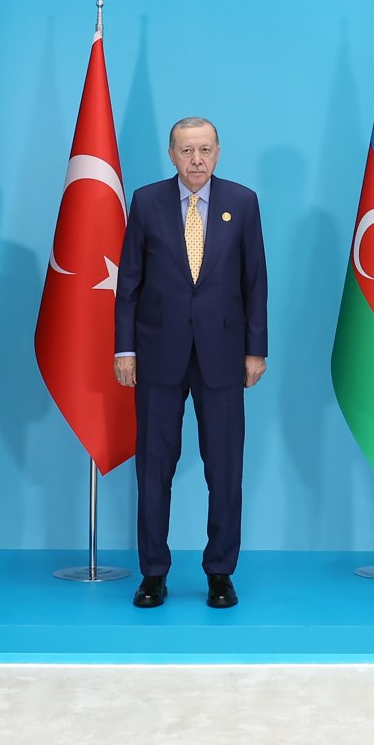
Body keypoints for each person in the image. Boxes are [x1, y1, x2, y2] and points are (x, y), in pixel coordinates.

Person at [113, 117, 268, 610]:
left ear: (218, 152)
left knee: (224, 468)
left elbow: (255, 281)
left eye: (204, 150)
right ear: (172, 154)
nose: (196, 160)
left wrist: (256, 349)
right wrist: (124, 349)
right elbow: (129, 281)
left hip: (223, 354)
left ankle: (220, 571)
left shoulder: (243, 201)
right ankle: (153, 573)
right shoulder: (146, 201)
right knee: (154, 467)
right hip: (158, 353)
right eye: (187, 150)